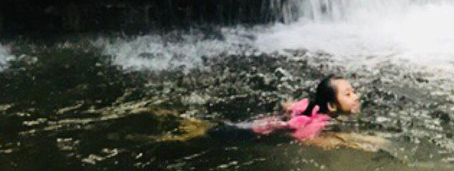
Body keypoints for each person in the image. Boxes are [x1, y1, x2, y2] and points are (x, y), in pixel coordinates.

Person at [162, 74, 384, 151]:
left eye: (353, 91)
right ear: (332, 106)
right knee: (197, 136)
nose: (355, 96)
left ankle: (164, 115)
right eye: (348, 94)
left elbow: (288, 106)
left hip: (257, 123)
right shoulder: (320, 121)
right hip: (252, 132)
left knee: (205, 128)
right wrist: (347, 142)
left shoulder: (310, 105)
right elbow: (304, 139)